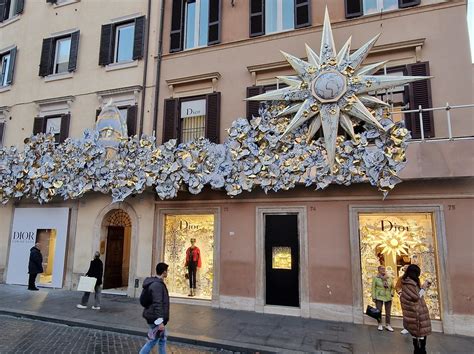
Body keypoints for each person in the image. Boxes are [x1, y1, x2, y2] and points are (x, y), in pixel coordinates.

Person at [400, 264, 432, 354]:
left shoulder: (409, 282)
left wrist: (423, 287)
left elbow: (415, 296)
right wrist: (423, 287)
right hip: (416, 315)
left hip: (415, 314)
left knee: (418, 336)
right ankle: (420, 351)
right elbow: (416, 297)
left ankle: (419, 350)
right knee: (420, 336)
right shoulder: (409, 283)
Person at [139, 262, 170, 354]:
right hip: (155, 317)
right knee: (153, 340)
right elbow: (158, 303)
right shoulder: (157, 285)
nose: (167, 273)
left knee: (162, 338)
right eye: (167, 271)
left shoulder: (155, 283)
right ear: (164, 272)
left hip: (153, 315)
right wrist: (160, 322)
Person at [371, 265, 394, 332]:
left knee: (388, 312)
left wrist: (392, 293)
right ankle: (380, 324)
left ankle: (388, 324)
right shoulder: (376, 278)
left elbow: (393, 287)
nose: (383, 270)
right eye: (382, 269)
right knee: (378, 311)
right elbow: (373, 288)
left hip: (388, 296)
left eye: (384, 269)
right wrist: (374, 297)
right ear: (378, 270)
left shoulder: (389, 277)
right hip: (379, 296)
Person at [395, 265, 410, 335]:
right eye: (405, 269)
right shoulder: (401, 278)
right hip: (405, 299)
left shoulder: (415, 279)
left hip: (413, 299)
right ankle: (406, 328)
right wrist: (400, 293)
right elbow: (397, 287)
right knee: (406, 313)